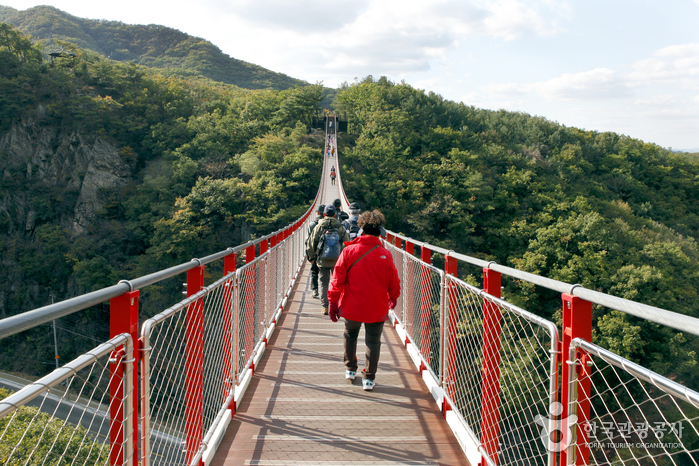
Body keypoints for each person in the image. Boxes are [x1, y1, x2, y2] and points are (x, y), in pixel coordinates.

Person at [327, 210, 400, 391]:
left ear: (361, 228)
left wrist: (333, 303)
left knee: (350, 334)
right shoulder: (386, 254)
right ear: (380, 232)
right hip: (377, 306)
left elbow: (337, 280)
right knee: (373, 341)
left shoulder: (349, 251)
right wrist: (393, 297)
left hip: (352, 305)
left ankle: (350, 368)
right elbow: (394, 282)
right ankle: (369, 378)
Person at [306, 204, 350, 315]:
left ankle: (325, 306)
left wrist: (311, 258)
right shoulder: (340, 227)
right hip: (337, 261)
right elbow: (347, 243)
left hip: (322, 260)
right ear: (335, 214)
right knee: (337, 282)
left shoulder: (319, 226)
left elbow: (311, 244)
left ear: (324, 214)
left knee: (323, 282)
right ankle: (337, 304)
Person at [306, 204, 325, 299]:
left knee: (314, 271)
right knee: (325, 272)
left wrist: (309, 256)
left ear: (317, 212)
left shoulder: (312, 224)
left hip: (315, 252)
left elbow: (308, 241)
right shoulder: (329, 223)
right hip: (326, 251)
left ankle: (315, 290)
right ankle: (326, 292)